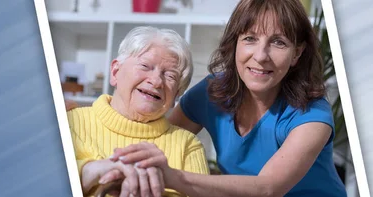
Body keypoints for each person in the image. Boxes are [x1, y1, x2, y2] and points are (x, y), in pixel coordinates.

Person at [106, 0, 347, 196]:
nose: (261, 56)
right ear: (235, 45)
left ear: (297, 53)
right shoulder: (211, 91)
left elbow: (268, 189)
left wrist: (173, 176)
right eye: (250, 39)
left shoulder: (313, 113)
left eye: (278, 42)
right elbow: (164, 140)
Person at [67, 26, 209, 197]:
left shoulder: (187, 145)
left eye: (170, 76)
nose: (156, 81)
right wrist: (87, 172)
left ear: (176, 95)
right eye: (145, 66)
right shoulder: (68, 122)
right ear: (115, 71)